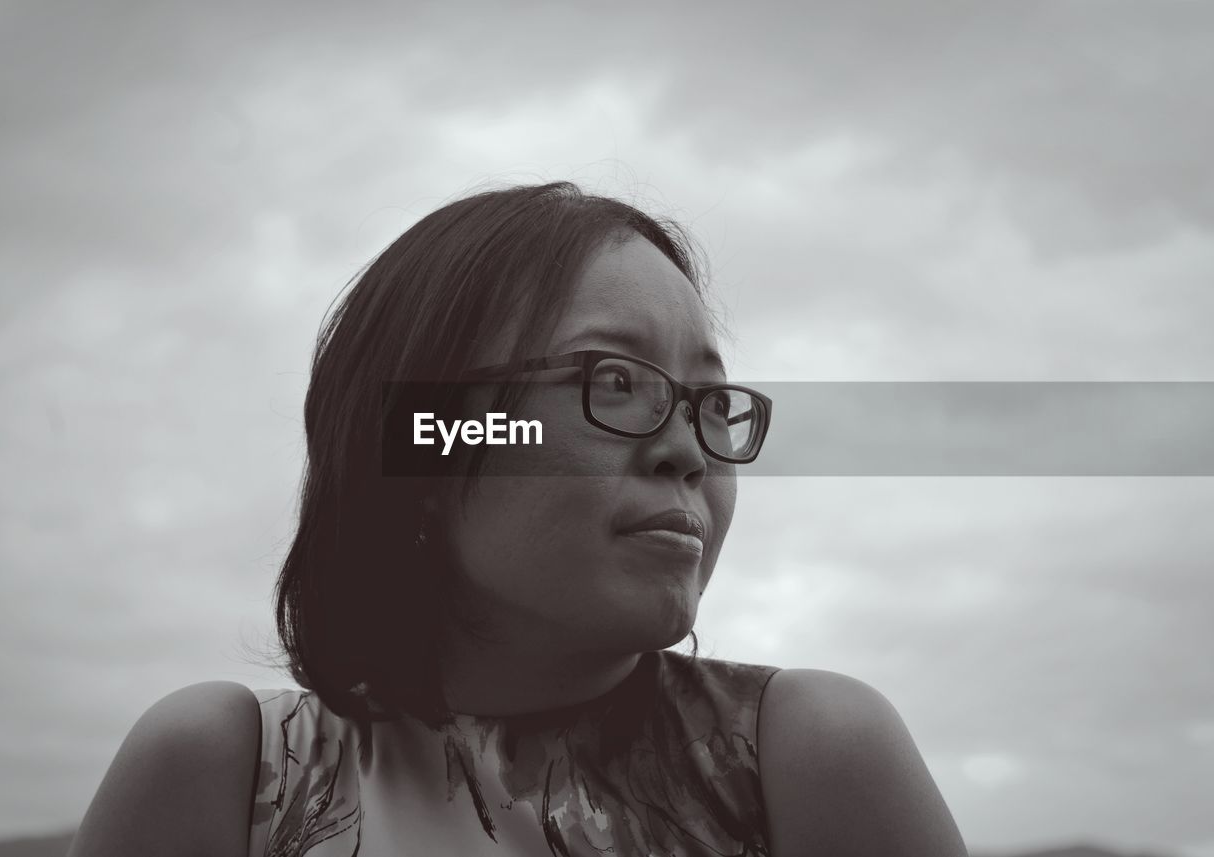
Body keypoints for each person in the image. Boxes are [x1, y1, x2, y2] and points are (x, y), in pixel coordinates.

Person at [67, 181, 968, 856]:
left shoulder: (809, 755)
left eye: (712, 402)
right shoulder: (222, 773)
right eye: (613, 381)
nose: (690, 449)